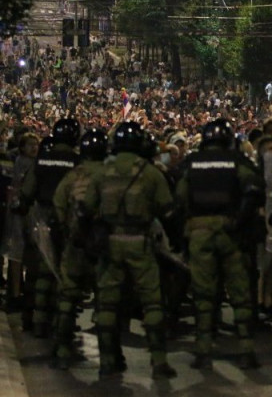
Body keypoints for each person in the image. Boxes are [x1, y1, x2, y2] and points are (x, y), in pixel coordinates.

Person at [83, 122, 178, 380]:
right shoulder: (150, 173)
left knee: (107, 303)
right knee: (152, 302)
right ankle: (159, 361)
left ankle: (107, 360)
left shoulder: (102, 172)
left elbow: (85, 209)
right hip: (140, 242)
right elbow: (168, 210)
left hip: (110, 243)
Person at [175, 118, 265, 370]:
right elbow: (255, 189)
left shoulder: (192, 163)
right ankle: (246, 348)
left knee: (203, 295)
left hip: (199, 231)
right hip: (230, 232)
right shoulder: (238, 162)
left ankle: (203, 349)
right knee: (240, 293)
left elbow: (179, 198)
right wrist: (240, 220)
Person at [50, 129, 107, 369]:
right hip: (104, 247)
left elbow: (58, 205)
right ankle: (109, 356)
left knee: (68, 295)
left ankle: (62, 347)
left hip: (76, 243)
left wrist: (68, 230)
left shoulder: (73, 175)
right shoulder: (110, 174)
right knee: (106, 301)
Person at [19, 117, 81, 338]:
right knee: (65, 274)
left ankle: (33, 319)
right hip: (68, 221)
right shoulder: (77, 161)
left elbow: (26, 192)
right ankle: (62, 323)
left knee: (38, 272)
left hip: (41, 220)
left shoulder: (42, 160)